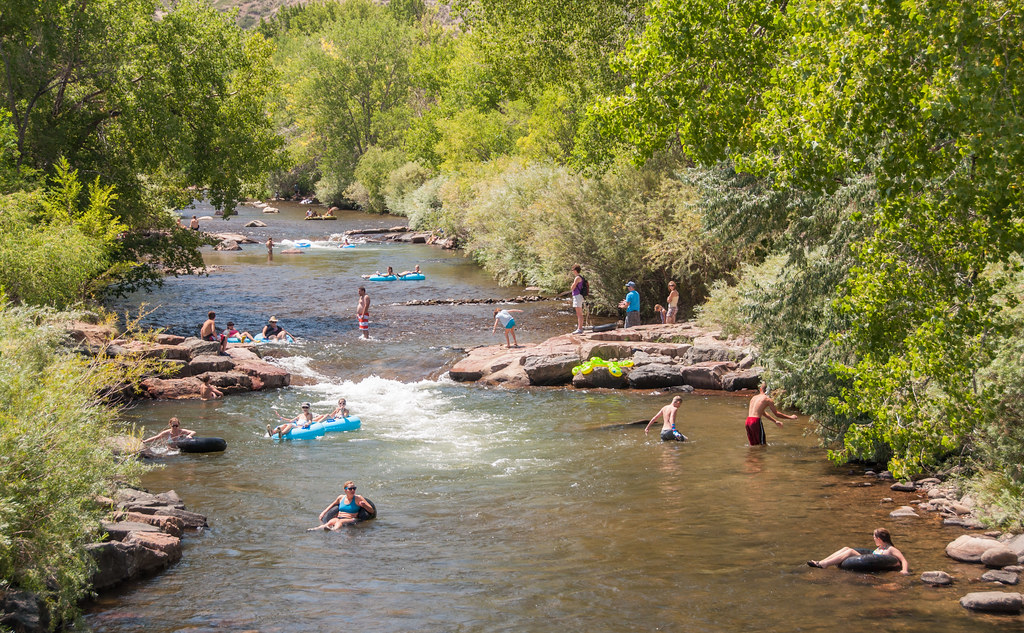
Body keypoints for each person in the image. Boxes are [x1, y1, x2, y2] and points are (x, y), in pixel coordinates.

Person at [807, 528, 910, 574]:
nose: (873, 538)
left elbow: (903, 560)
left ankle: (825, 564)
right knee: (846, 548)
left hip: (875, 563)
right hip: (870, 561)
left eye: (874, 537)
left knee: (850, 551)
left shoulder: (890, 549)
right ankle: (821, 561)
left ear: (879, 538)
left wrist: (904, 570)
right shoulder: (879, 548)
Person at [308, 481, 375, 531]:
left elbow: (371, 510)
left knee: (339, 522)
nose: (353, 490)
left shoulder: (358, 498)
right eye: (350, 489)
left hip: (351, 519)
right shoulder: (341, 497)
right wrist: (323, 513)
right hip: (340, 517)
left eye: (354, 488)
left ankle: (333, 530)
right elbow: (332, 504)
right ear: (345, 490)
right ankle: (316, 529)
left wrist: (364, 505)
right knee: (332, 521)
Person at [569, 264, 586, 334]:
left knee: (579, 313)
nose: (573, 272)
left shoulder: (577, 278)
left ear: (575, 270)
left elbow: (572, 287)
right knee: (579, 313)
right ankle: (580, 328)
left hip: (577, 296)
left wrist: (572, 286)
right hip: (579, 296)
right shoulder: (581, 277)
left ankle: (580, 329)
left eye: (573, 270)